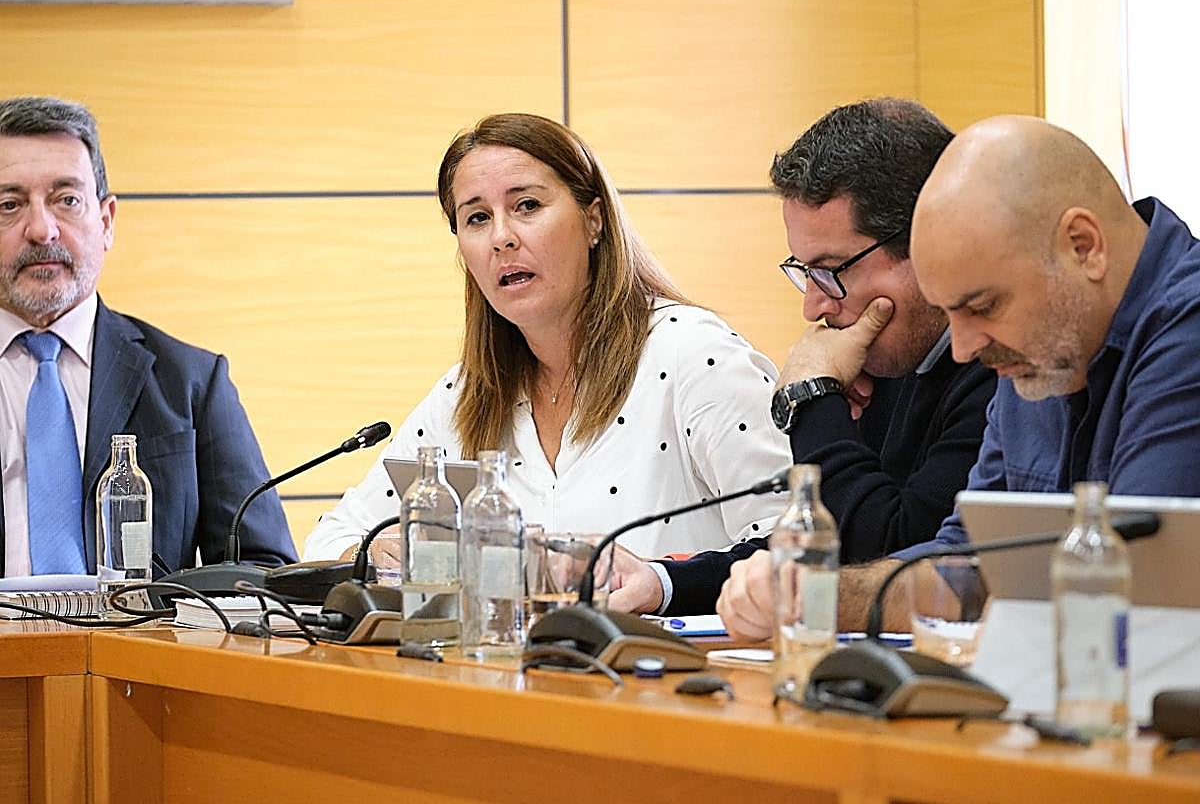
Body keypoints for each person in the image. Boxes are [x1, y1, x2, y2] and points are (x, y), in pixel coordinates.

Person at [717, 114, 1200, 640]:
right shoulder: (1038, 347)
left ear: (1083, 246)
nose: (966, 348)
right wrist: (809, 595)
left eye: (983, 306)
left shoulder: (1185, 331)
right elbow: (964, 570)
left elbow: (1135, 585)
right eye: (951, 312)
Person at [304, 113, 792, 562]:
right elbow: (330, 538)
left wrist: (665, 585)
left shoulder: (694, 356)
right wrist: (370, 555)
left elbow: (791, 545)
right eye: (477, 218)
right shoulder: (464, 395)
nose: (501, 237)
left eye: (527, 206)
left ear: (593, 220)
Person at [608, 99, 995, 616]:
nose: (814, 306)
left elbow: (889, 560)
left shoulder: (999, 368)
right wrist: (663, 584)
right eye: (805, 272)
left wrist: (811, 397)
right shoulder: (883, 357)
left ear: (927, 241)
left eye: (831, 270)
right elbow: (816, 552)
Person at [0, 95, 296, 577]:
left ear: (106, 222)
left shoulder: (191, 381)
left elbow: (261, 568)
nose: (42, 229)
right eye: (9, 205)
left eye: (67, 200)